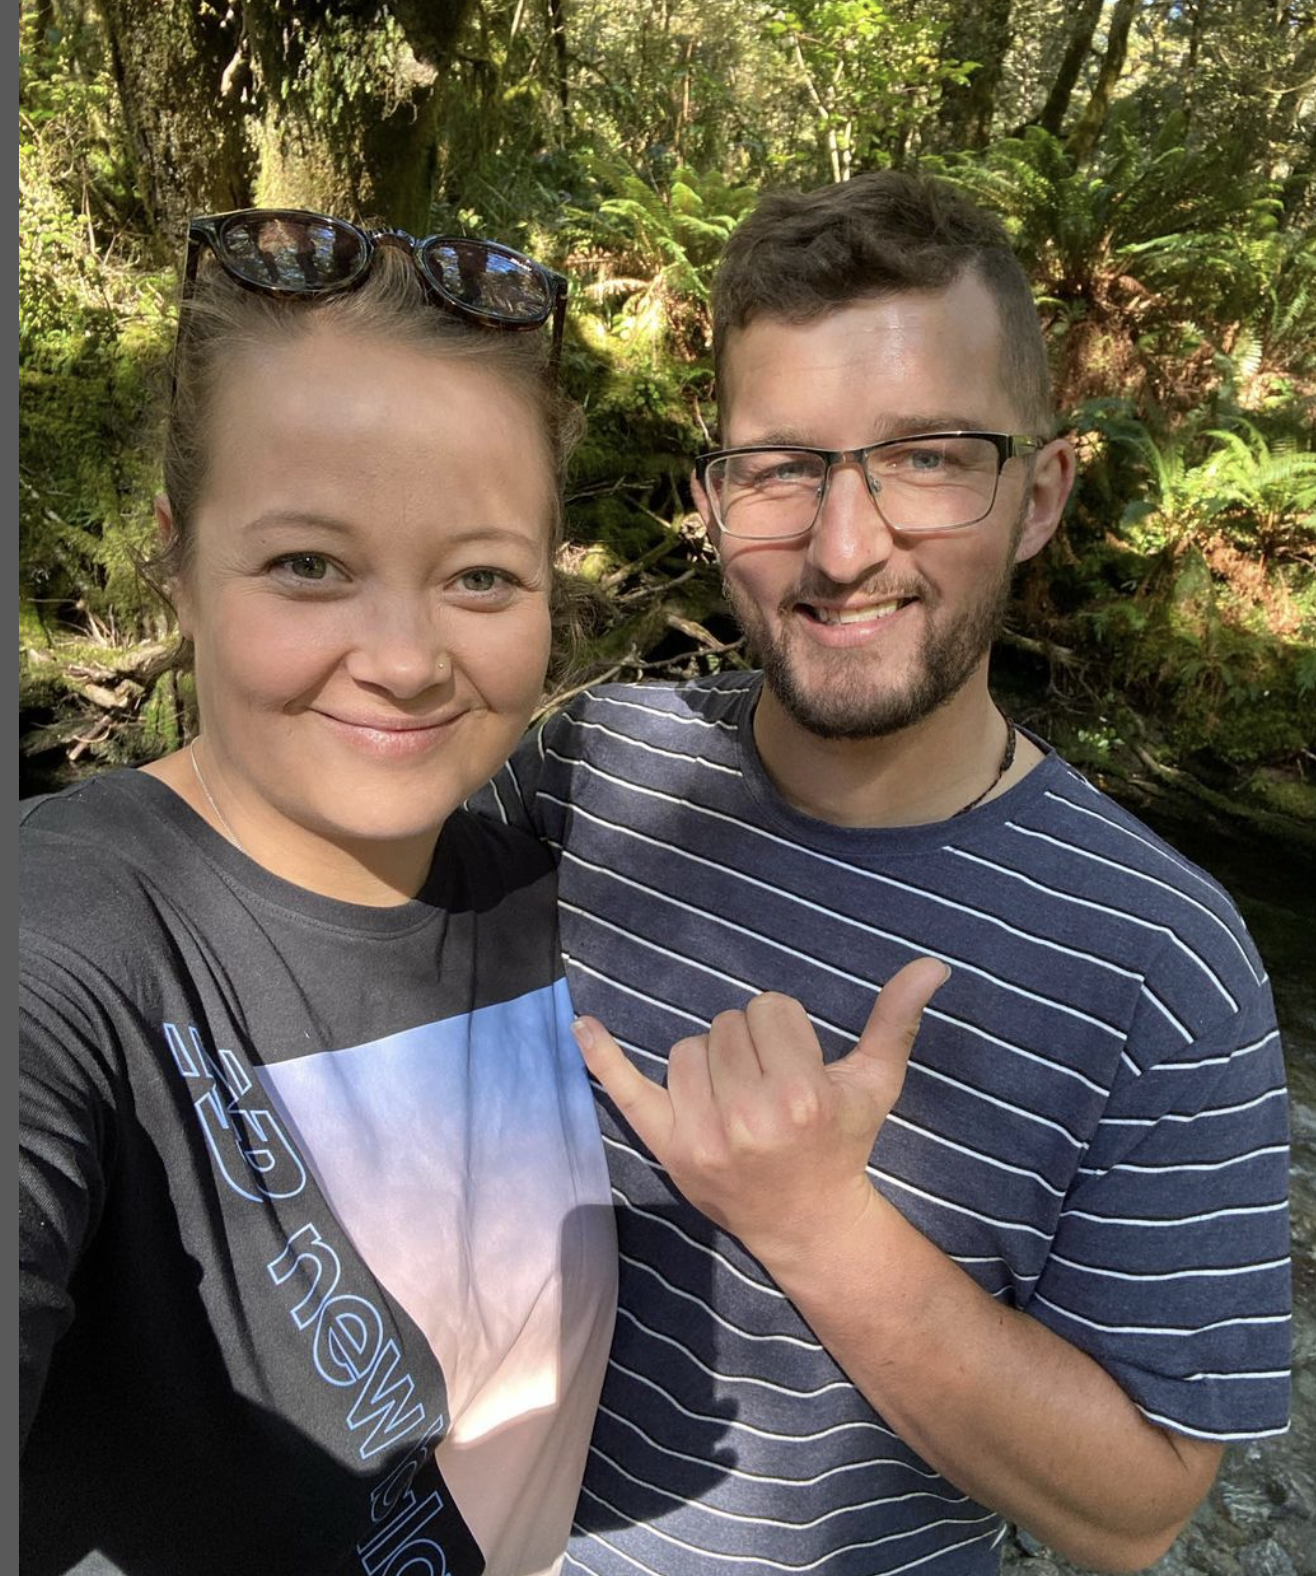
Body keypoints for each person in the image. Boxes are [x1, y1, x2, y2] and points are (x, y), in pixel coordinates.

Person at [472, 172, 1292, 1574]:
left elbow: (1137, 1510)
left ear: (1039, 495)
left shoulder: (1167, 962)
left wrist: (818, 1227)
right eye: (780, 467)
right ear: (712, 502)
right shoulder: (593, 763)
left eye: (928, 458)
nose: (845, 549)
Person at [19, 209, 617, 1576]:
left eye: (480, 575)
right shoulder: (61, 940)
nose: (404, 660)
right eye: (309, 566)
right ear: (178, 562)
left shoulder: (555, 906)